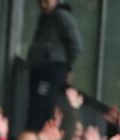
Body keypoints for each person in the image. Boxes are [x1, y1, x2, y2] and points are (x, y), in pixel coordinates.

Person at [26, 0, 82, 131]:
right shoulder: (45, 16)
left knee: (41, 107)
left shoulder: (62, 15)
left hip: (51, 69)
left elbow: (76, 44)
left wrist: (68, 67)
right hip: (40, 69)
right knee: (37, 106)